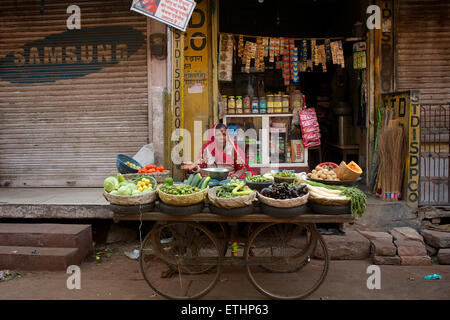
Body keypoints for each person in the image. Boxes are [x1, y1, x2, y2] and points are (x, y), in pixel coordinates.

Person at [181, 124, 253, 179]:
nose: (222, 137)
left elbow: (242, 168)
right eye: (218, 134)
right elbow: (203, 170)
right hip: (211, 181)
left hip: (229, 181)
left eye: (224, 134)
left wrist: (233, 177)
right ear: (213, 136)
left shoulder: (233, 149)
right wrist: (195, 168)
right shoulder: (206, 149)